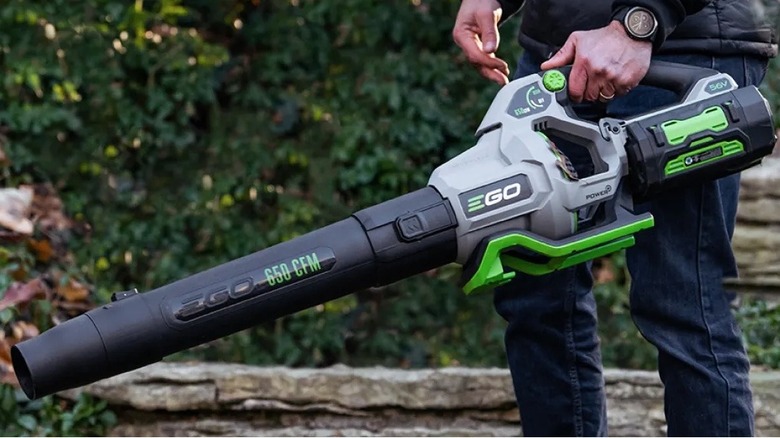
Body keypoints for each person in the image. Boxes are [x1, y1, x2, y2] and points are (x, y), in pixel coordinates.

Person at [452, 0, 777, 436]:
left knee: (682, 302)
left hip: (680, 41)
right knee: (536, 292)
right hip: (558, 49)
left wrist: (639, 22)